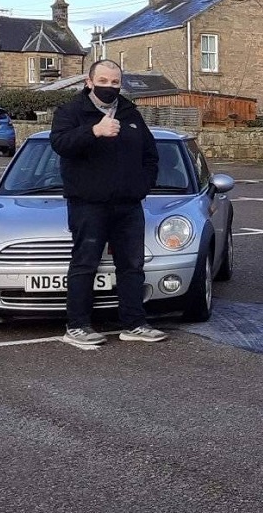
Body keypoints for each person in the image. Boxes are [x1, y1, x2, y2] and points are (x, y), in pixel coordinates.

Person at [50, 59, 166, 346]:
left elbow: (150, 155)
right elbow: (60, 144)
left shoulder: (130, 113)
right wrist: (94, 132)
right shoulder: (71, 112)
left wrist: (141, 186)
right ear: (89, 82)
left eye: (115, 82)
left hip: (128, 204)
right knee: (84, 263)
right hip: (88, 204)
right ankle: (77, 326)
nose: (109, 87)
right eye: (103, 81)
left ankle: (134, 324)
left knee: (132, 266)